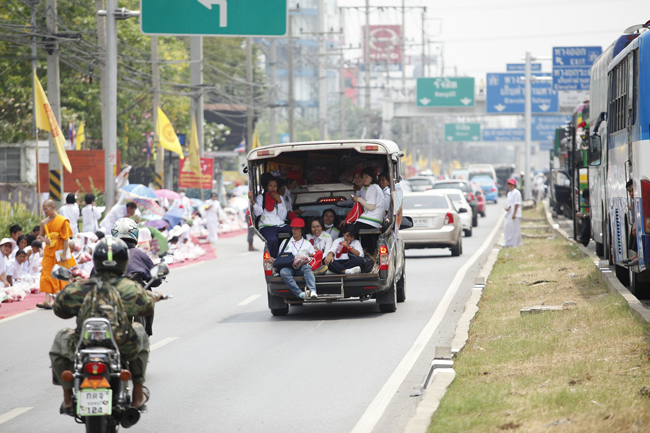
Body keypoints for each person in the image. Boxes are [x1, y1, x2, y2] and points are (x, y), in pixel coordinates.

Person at [50, 237, 163, 415]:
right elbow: (146, 308)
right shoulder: (129, 287)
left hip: (82, 343)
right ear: (123, 261)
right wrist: (154, 296)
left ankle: (67, 398)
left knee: (60, 337)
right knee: (140, 331)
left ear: (96, 261)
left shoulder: (81, 286)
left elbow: (60, 310)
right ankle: (138, 394)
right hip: (122, 343)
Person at [112, 218, 161, 336]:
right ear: (135, 234)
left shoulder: (106, 253)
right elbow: (156, 281)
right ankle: (146, 332)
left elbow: (93, 276)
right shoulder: (139, 254)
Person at [37, 199, 77, 309]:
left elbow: (65, 239)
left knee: (60, 276)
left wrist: (64, 253)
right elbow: (40, 236)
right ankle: (46, 300)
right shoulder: (44, 222)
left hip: (59, 252)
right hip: (49, 253)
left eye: (46, 209)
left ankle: (61, 299)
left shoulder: (63, 221)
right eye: (43, 209)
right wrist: (45, 240)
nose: (45, 211)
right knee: (46, 274)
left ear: (53, 207)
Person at [248, 174, 292, 258]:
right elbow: (258, 213)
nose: (273, 188)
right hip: (266, 225)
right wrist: (253, 201)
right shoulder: (261, 197)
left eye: (275, 186)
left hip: (280, 224)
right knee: (272, 240)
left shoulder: (280, 198)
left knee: (299, 232)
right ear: (266, 187)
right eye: (270, 186)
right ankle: (274, 260)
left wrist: (278, 201)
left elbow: (282, 217)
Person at [278, 218, 317, 300]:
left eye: (297, 229)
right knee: (283, 272)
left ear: (302, 230)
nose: (294, 231)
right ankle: (300, 294)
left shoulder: (307, 243)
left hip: (302, 267)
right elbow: (280, 256)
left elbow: (313, 258)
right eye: (293, 228)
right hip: (289, 267)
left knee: (307, 268)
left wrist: (309, 257)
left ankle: (313, 291)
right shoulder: (285, 242)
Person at [623, 180, 639, 267]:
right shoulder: (633, 204)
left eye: (633, 190)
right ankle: (636, 255)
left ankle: (638, 256)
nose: (631, 194)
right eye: (630, 191)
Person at [504, 178, 523, 247]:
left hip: (515, 214)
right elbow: (510, 204)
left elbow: (516, 204)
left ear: (514, 185)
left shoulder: (516, 193)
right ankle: (509, 243)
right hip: (509, 213)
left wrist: (514, 213)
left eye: (511, 184)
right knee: (508, 228)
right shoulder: (509, 193)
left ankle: (517, 243)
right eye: (509, 184)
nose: (510, 186)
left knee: (516, 229)